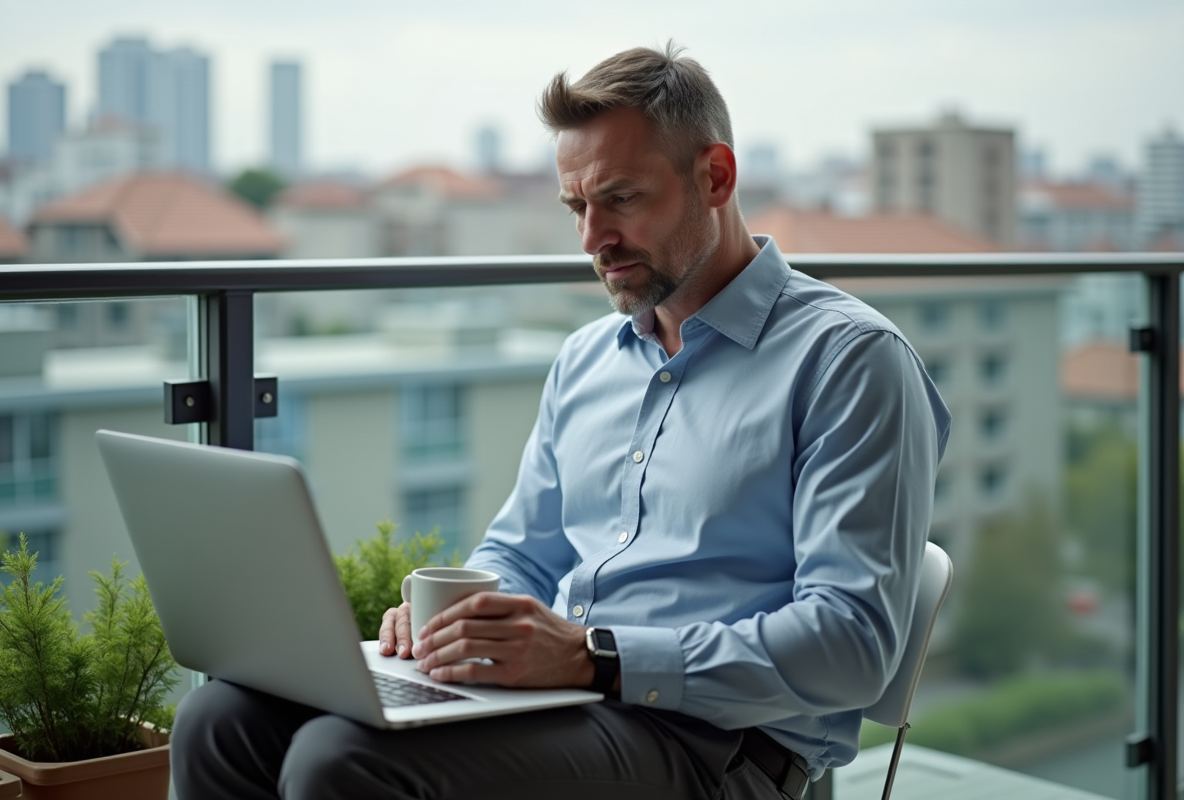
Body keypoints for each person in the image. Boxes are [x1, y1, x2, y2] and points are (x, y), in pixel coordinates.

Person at [172, 42, 950, 800]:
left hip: (721, 750)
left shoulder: (851, 361)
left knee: (343, 761)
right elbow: (523, 552)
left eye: (621, 198)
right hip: (566, 706)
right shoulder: (587, 359)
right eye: (577, 206)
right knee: (221, 717)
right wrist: (455, 623)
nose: (592, 239)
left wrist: (597, 659)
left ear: (715, 177)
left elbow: (851, 644)